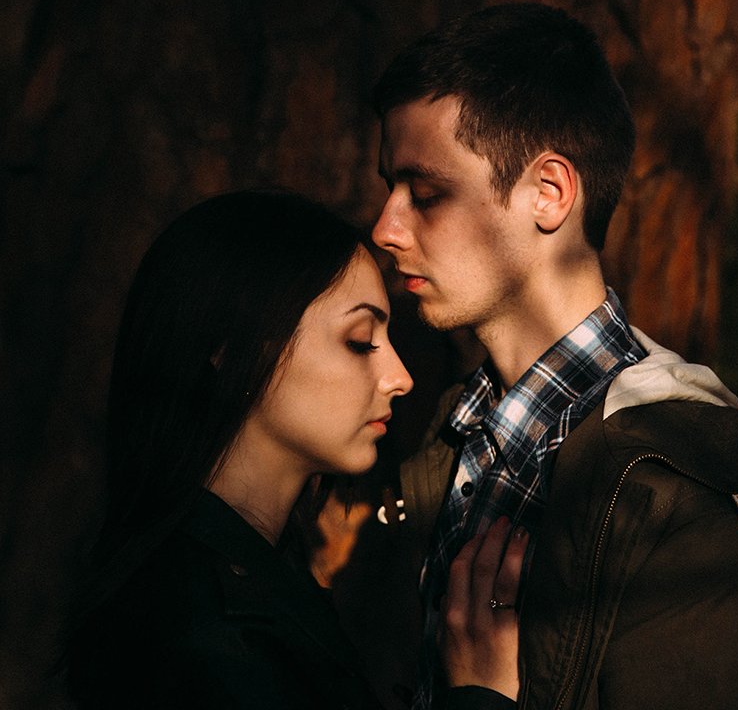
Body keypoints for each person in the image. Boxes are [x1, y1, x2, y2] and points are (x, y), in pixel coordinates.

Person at [371, 3, 738, 710]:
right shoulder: (445, 435)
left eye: (425, 194)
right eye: (389, 189)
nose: (386, 228)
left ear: (549, 194)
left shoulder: (681, 502)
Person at [67, 189, 527, 710]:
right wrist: (480, 697)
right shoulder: (198, 630)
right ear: (231, 348)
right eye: (359, 340)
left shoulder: (249, 581)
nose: (399, 378)